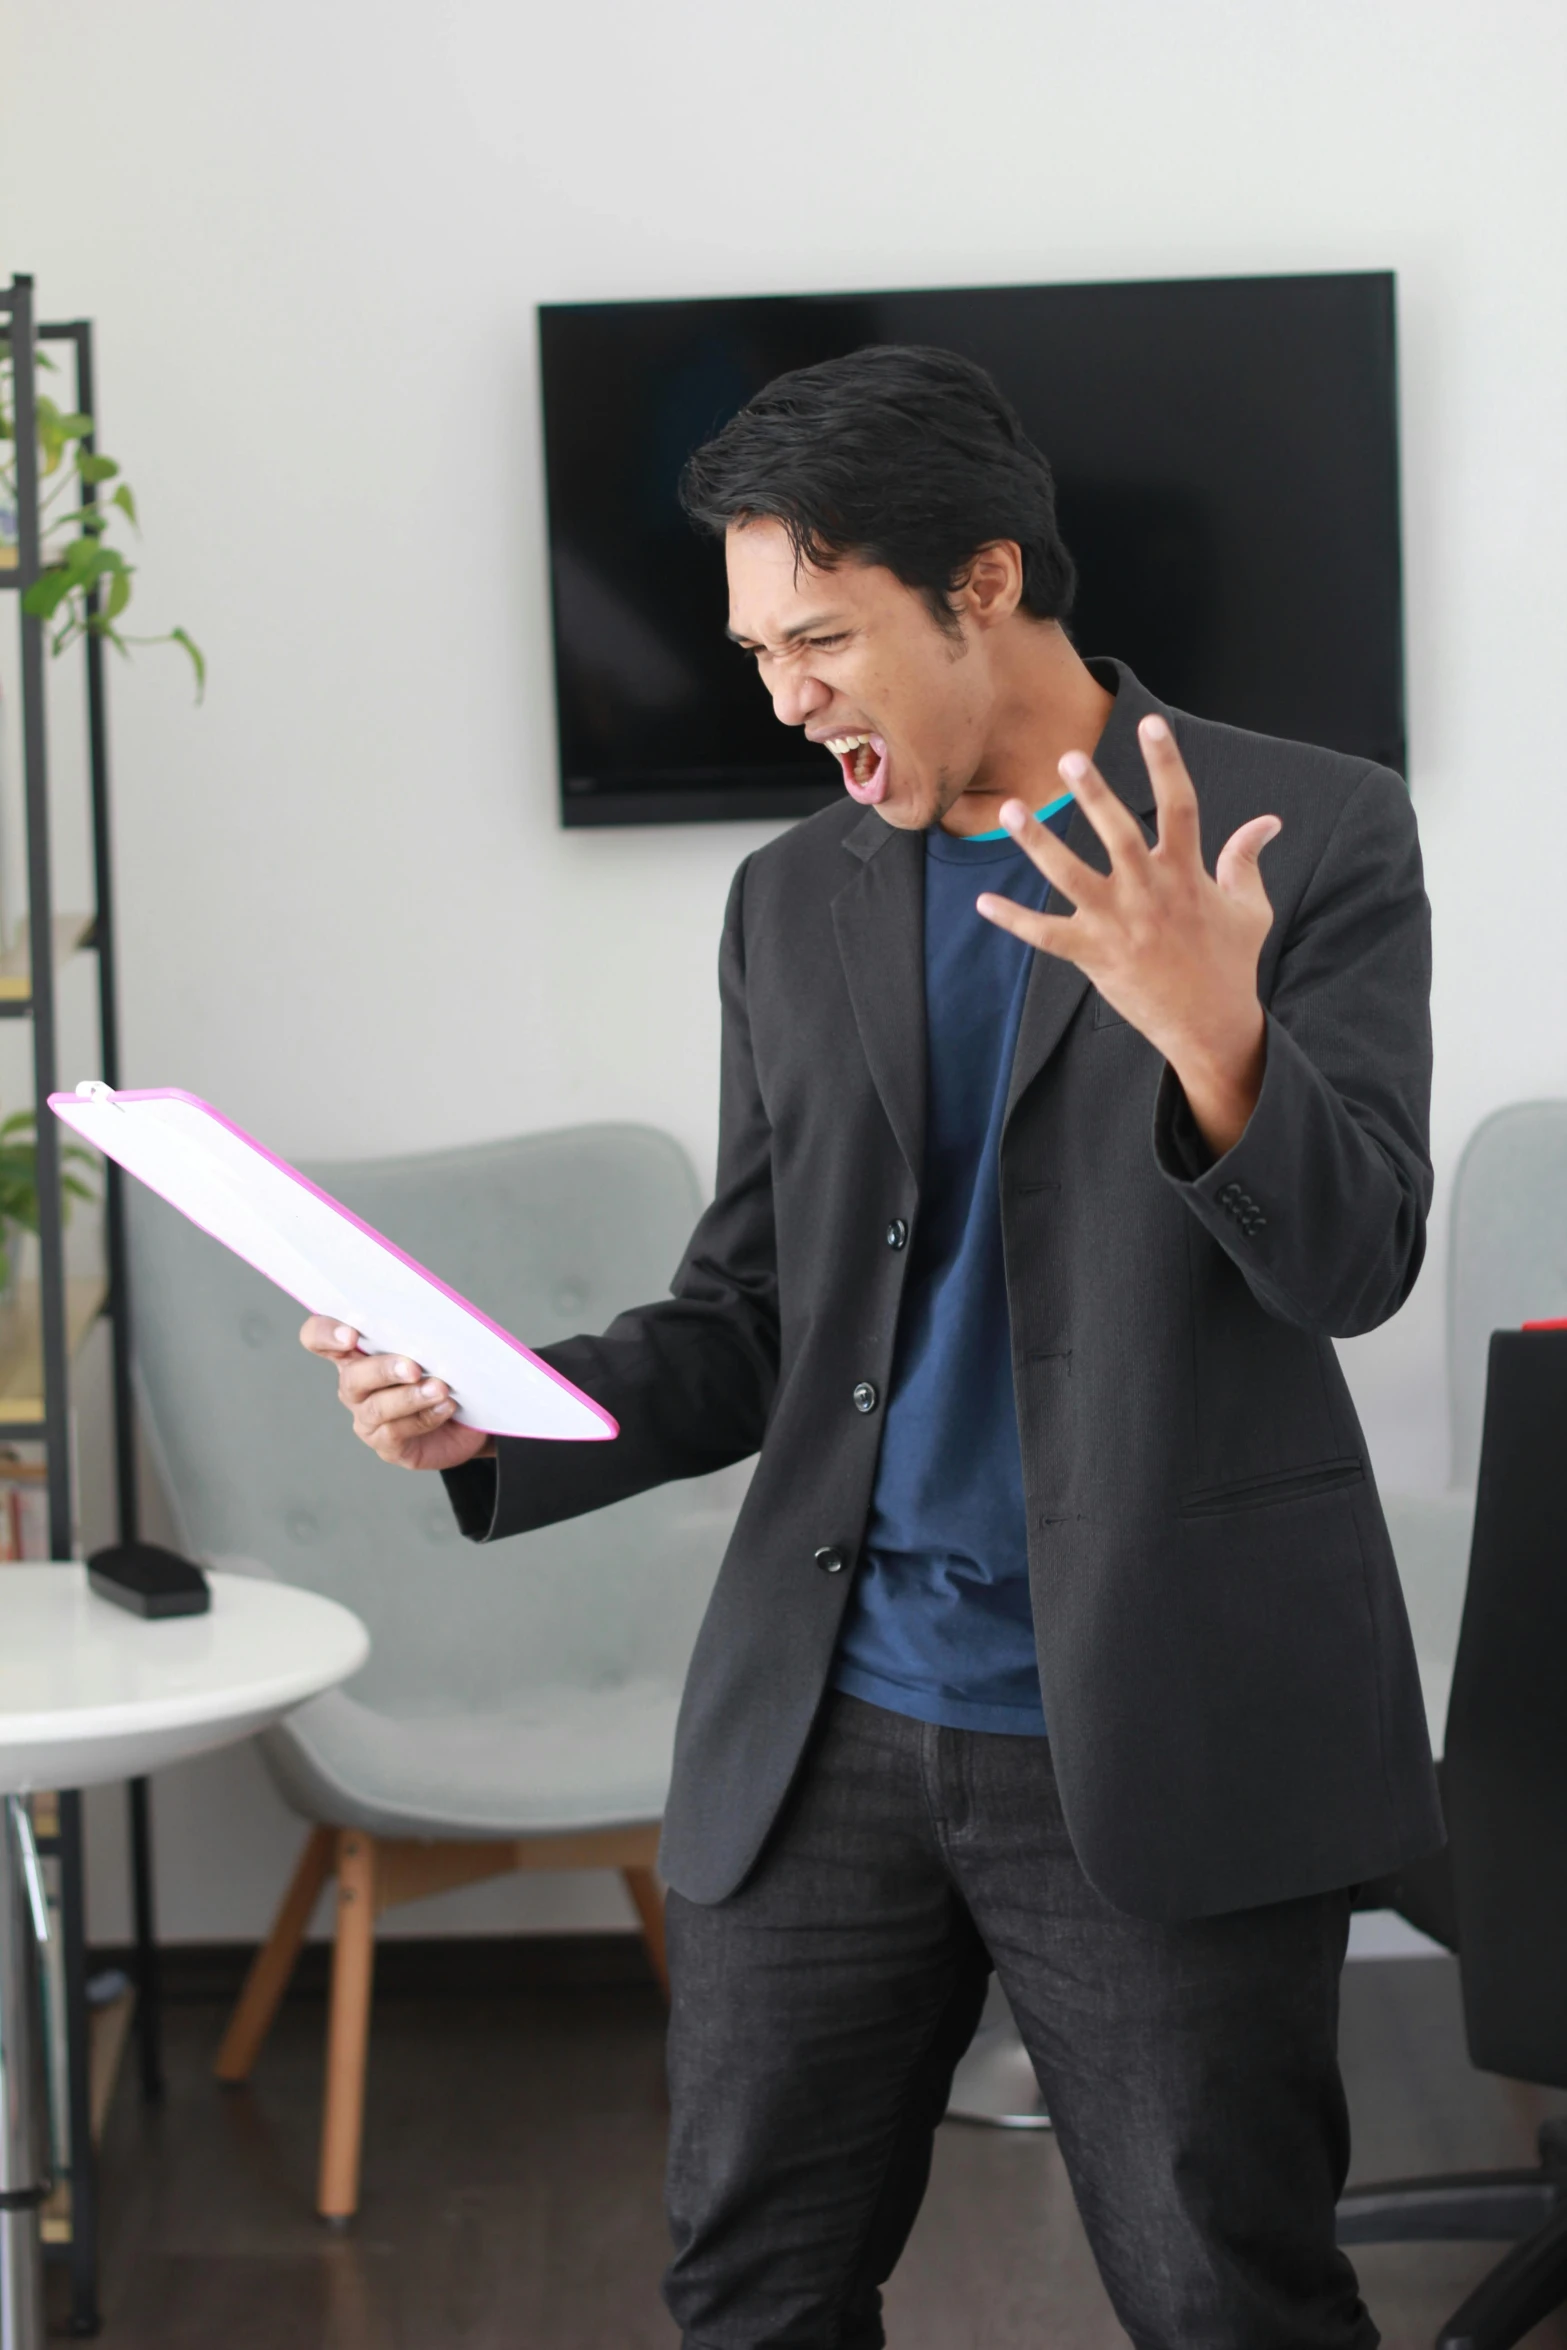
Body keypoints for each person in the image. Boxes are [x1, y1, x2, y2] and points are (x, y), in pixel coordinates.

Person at [302, 345, 1442, 2349]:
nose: (785, 692)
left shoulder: (1308, 834)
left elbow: (1357, 1267)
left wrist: (1215, 1033)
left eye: (822, 635)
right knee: (751, 2286)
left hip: (1158, 1729)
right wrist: (493, 1404)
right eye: (758, 648)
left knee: (1229, 2295)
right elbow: (752, 1316)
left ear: (985, 582)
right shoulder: (790, 898)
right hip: (823, 1722)